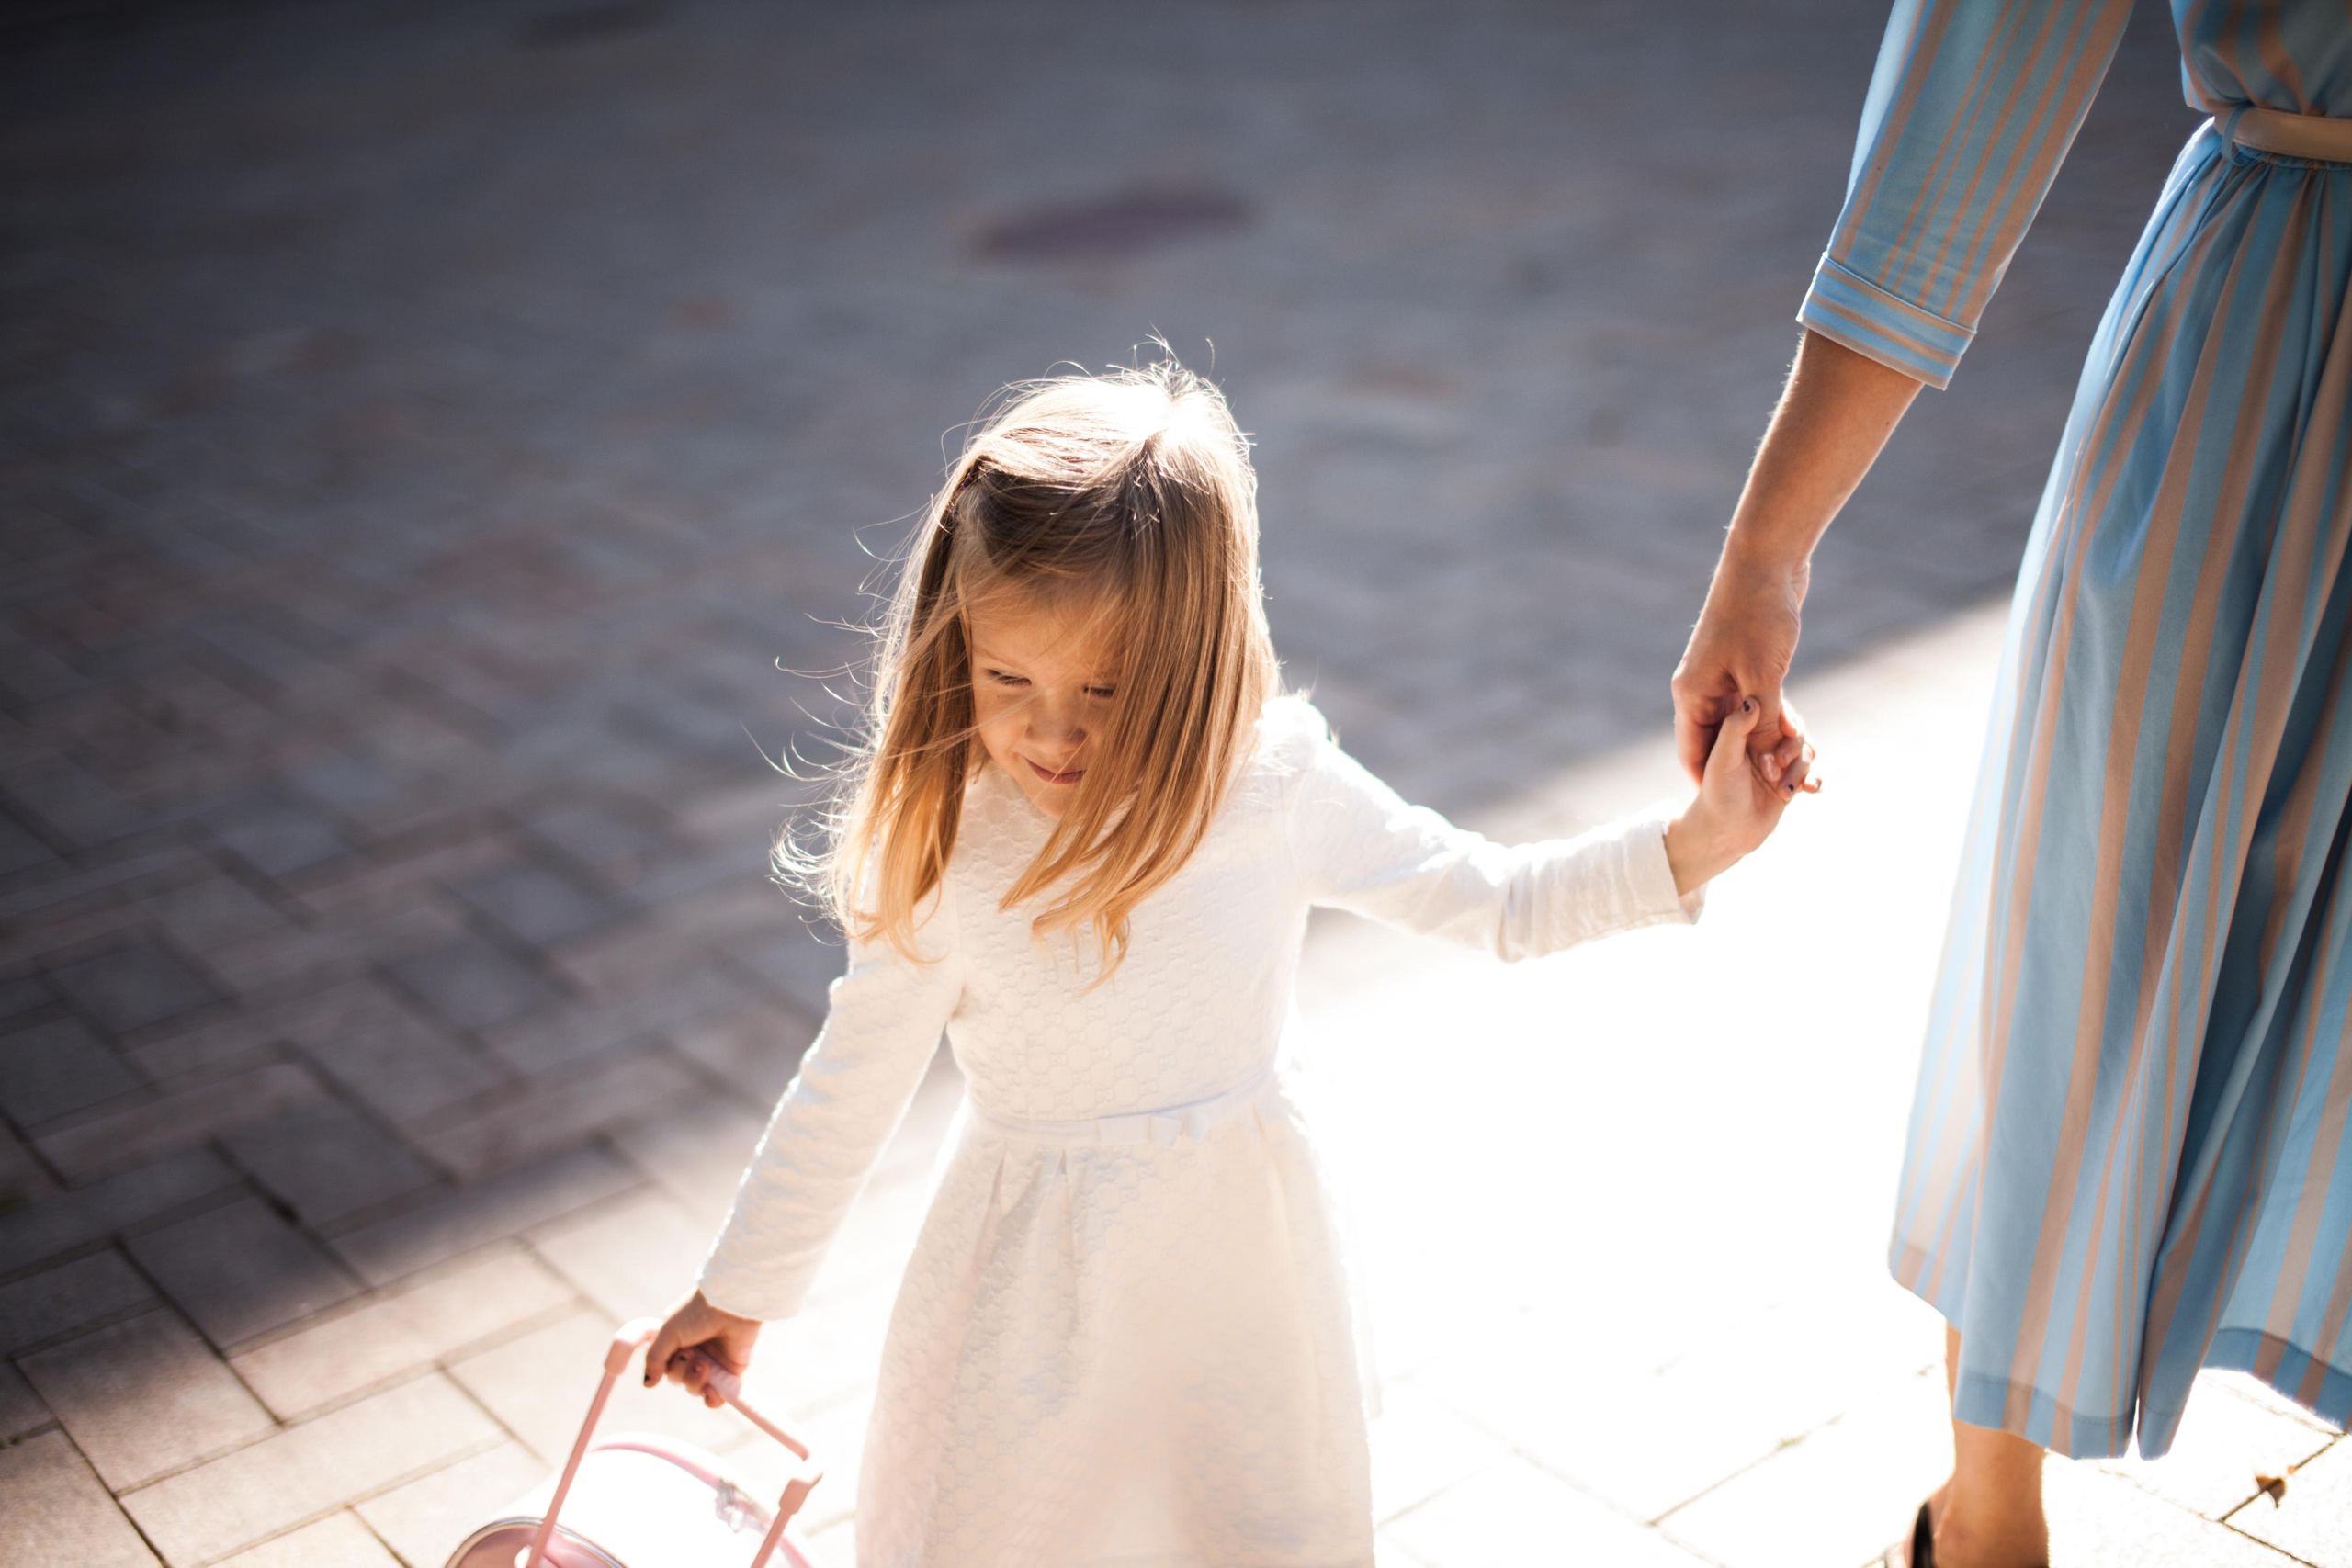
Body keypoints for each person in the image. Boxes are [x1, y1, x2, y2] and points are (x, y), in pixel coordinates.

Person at [642, 361, 1804, 1565]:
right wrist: (742, 1287)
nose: (1052, 730)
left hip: (1240, 1272)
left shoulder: (1269, 787)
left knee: (1244, 1534)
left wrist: (1698, 841)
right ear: (957, 646)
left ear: (1198, 656)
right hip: (1031, 1292)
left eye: (1105, 687)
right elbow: (852, 1077)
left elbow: (1495, 900)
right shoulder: (946, 835)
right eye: (1007, 679)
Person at [1672, 5, 2352, 1566]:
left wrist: (1767, 552)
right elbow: (1973, 97)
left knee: (2102, 935)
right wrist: (1769, 547)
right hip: (2265, 372)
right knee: (2096, 933)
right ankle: (1986, 1526)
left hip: (2262, 350)